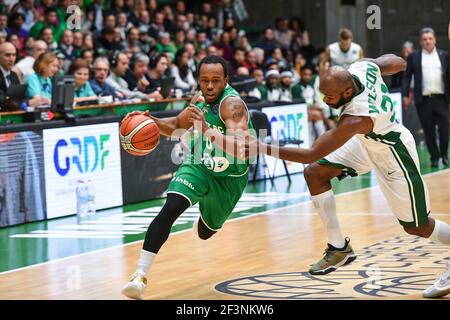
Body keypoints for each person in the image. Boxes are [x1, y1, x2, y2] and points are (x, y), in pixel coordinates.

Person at [253, 54, 450, 298]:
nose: (325, 101)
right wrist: (400, 63)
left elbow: (310, 152)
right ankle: (339, 248)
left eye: (330, 97)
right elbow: (393, 61)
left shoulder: (355, 118)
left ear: (347, 93)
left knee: (417, 226)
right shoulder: (360, 67)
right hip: (367, 142)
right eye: (322, 95)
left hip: (393, 152)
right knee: (315, 173)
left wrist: (260, 147)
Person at [121, 55, 254, 300]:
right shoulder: (199, 100)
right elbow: (175, 126)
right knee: (170, 208)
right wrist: (150, 121)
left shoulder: (232, 105)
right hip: (200, 165)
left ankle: (204, 218)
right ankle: (139, 276)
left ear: (226, 80)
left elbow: (240, 147)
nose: (210, 86)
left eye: (216, 80)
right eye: (204, 80)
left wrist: (207, 130)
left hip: (230, 177)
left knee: (206, 233)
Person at [402, 28, 449, 168]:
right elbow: (406, 77)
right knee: (428, 131)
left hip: (442, 99)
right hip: (424, 101)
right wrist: (405, 95)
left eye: (430, 38)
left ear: (434, 40)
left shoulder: (444, 55)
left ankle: (444, 155)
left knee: (444, 129)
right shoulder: (414, 57)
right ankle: (434, 157)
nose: (427, 41)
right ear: (421, 42)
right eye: (424, 39)